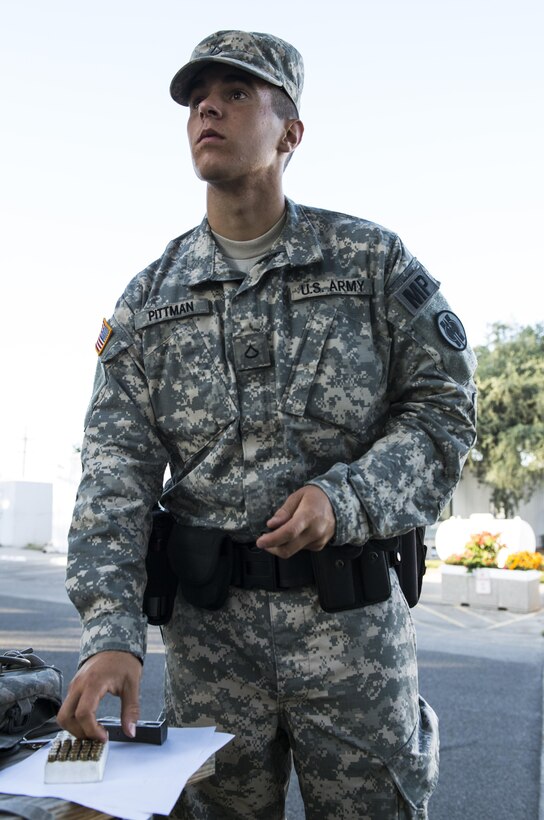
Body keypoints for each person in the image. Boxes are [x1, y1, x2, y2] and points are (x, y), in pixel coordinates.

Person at [58, 29, 477, 819]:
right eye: (196, 98)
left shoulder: (372, 264)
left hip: (351, 636)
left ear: (291, 133)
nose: (207, 108)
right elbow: (114, 473)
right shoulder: (149, 301)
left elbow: (444, 415)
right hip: (212, 644)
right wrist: (110, 633)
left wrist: (343, 500)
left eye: (237, 93)